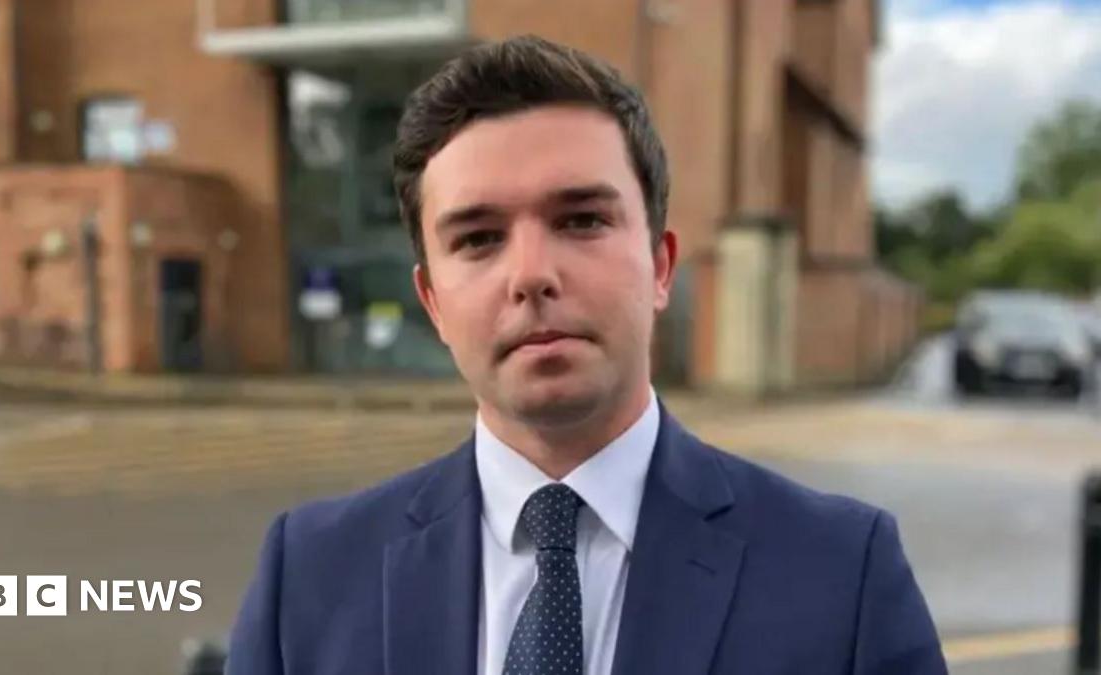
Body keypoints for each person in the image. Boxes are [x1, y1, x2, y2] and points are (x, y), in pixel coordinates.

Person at [226, 35, 947, 675]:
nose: (531, 272)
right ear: (434, 303)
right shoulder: (311, 574)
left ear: (661, 267)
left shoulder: (842, 573)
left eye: (581, 219)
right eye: (478, 237)